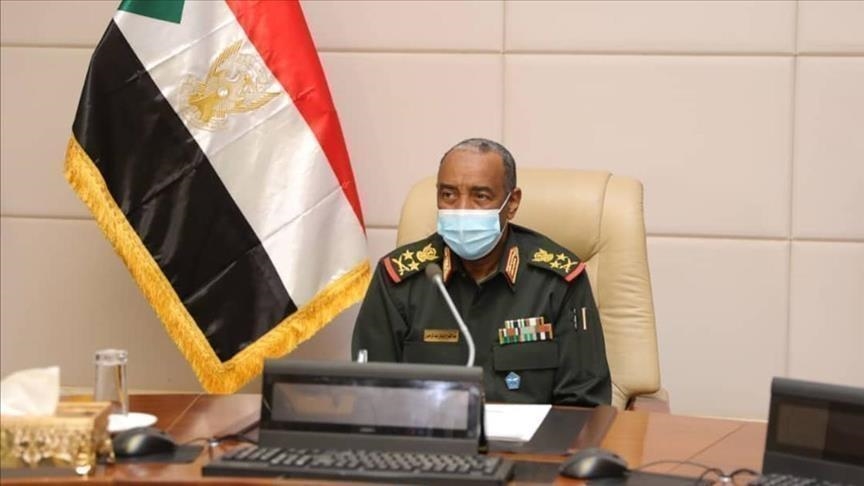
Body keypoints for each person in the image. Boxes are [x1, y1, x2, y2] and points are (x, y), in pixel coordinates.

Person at [352, 138, 611, 406]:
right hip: (428, 431)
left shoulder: (558, 282)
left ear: (512, 203)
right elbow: (371, 396)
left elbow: (584, 404)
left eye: (481, 196)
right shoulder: (399, 280)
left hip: (532, 435)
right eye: (449, 194)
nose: (462, 209)